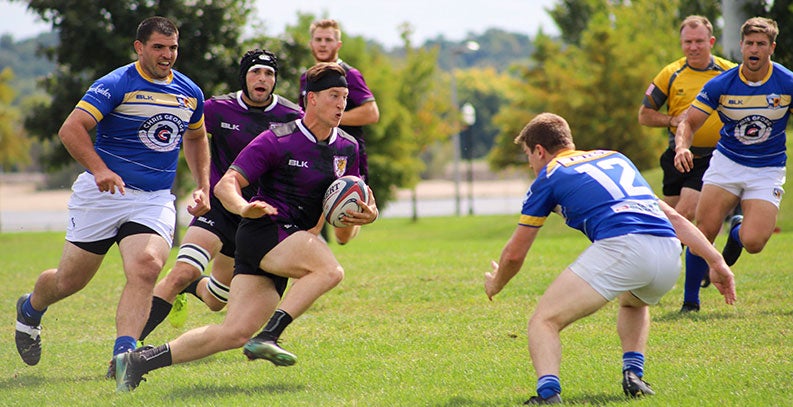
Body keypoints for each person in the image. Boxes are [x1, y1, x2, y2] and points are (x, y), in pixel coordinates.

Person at [114, 62, 379, 392]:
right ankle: (269, 335)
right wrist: (244, 208)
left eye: (345, 97)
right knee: (330, 271)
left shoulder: (347, 148)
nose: (342, 104)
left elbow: (348, 216)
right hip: (263, 231)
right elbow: (227, 184)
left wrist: (365, 217)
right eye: (334, 96)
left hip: (290, 243)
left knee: (233, 333)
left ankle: (138, 363)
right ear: (311, 99)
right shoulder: (278, 139)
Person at [484, 113, 736, 404]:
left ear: (539, 150)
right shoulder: (615, 158)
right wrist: (716, 261)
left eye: (529, 155)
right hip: (668, 252)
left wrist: (496, 284)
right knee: (634, 301)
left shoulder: (549, 175)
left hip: (624, 246)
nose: (530, 164)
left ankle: (548, 395)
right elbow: (673, 215)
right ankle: (633, 374)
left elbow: (515, 254)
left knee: (544, 321)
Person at [14, 16, 211, 369]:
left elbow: (195, 137)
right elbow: (71, 128)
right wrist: (100, 169)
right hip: (103, 195)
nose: (167, 55)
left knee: (147, 267)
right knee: (70, 280)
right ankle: (30, 308)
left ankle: (124, 356)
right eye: (159, 47)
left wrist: (202, 186)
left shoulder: (189, 92)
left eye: (173, 48)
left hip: (152, 198)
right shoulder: (117, 83)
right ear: (139, 47)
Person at [135, 49, 303, 346]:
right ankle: (127, 348)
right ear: (244, 77)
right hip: (218, 209)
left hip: (256, 219)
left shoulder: (290, 117)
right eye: (255, 72)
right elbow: (191, 135)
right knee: (180, 273)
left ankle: (191, 289)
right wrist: (201, 185)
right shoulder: (218, 108)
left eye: (269, 74)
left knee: (216, 301)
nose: (262, 79)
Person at [674, 16, 790, 311]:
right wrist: (681, 147)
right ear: (741, 46)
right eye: (749, 43)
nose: (754, 49)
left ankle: (737, 231)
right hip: (727, 163)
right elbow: (689, 121)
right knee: (704, 230)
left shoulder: (786, 82)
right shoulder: (722, 84)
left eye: (760, 44)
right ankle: (690, 303)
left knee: (754, 242)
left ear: (771, 48)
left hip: (767, 168)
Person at [638, 15, 736, 313]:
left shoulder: (728, 73)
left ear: (711, 42)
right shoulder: (670, 73)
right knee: (663, 218)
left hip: (713, 157)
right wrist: (671, 119)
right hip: (676, 155)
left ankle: (656, 273)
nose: (693, 47)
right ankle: (700, 261)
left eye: (698, 41)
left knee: (684, 213)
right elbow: (644, 115)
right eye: (687, 42)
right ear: (682, 44)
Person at [299, 19, 379, 183]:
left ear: (338, 45)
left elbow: (372, 113)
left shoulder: (349, 74)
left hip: (346, 158)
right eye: (318, 39)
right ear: (311, 44)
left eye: (328, 40)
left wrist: (328, 118)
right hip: (313, 155)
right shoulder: (306, 77)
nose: (323, 44)